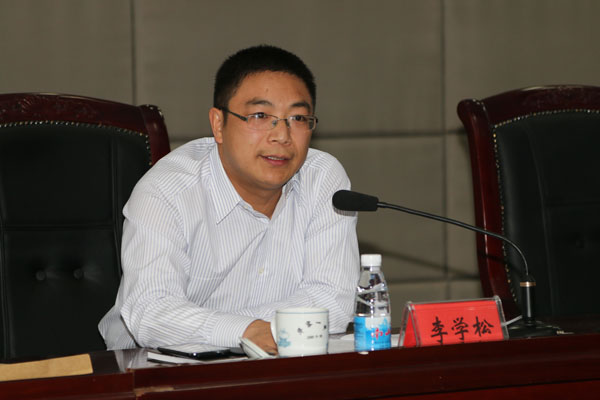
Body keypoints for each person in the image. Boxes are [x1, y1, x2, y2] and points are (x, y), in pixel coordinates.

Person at [99, 45, 359, 354]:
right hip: (153, 367)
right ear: (218, 124)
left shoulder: (323, 179)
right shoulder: (168, 190)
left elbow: (334, 301)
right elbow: (151, 312)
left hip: (279, 364)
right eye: (260, 116)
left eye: (298, 118)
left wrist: (254, 330)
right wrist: (247, 331)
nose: (282, 135)